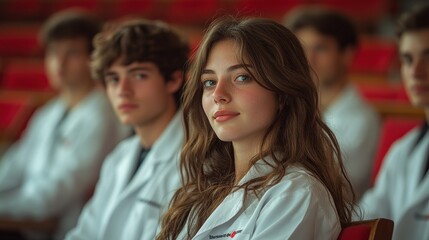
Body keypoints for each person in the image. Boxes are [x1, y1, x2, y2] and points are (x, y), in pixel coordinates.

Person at [156, 16, 355, 240]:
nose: (218, 95)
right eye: (209, 82)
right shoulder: (201, 188)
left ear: (282, 94)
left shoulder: (297, 195)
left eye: (242, 77)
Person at [0, 9, 129, 240]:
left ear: (93, 59)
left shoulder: (102, 115)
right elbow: (13, 168)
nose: (59, 63)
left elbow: (54, 196)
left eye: (71, 53)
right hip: (24, 220)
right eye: (53, 53)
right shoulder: (48, 112)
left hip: (61, 229)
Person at [65, 18, 189, 240]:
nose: (123, 90)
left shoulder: (196, 160)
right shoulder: (119, 156)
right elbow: (85, 233)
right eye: (113, 78)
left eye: (139, 75)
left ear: (173, 79)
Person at [285, 7, 381, 199]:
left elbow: (332, 186)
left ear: (347, 54)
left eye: (320, 48)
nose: (309, 59)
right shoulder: (289, 106)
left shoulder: (362, 120)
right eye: (302, 49)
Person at [359, 5, 429, 240]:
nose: (416, 72)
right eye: (408, 59)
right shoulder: (404, 150)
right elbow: (366, 216)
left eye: (428, 58)